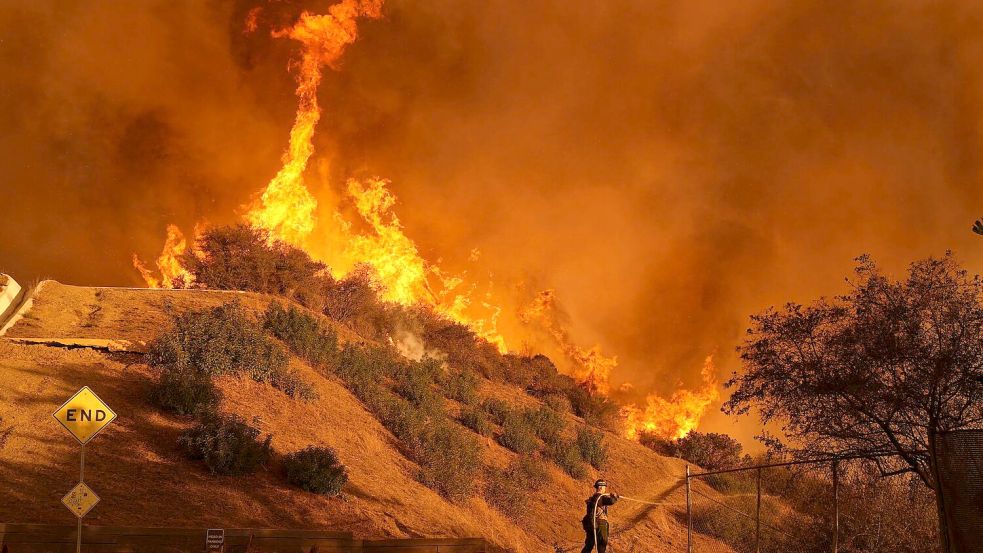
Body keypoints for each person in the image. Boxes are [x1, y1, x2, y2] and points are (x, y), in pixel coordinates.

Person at [581, 479, 619, 553]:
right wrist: (615, 496)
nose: (605, 489)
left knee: (589, 544)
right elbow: (611, 501)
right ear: (601, 487)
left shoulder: (593, 498)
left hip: (591, 524)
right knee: (602, 544)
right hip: (600, 524)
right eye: (604, 487)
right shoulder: (600, 497)